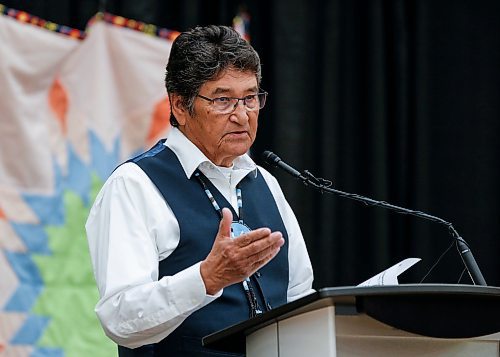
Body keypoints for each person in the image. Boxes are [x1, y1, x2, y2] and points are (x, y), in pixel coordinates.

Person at [85, 24, 314, 356]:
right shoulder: (135, 185)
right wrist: (206, 278)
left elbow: (299, 295)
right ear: (180, 106)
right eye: (223, 100)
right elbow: (120, 319)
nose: (242, 115)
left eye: (250, 98)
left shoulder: (265, 182)